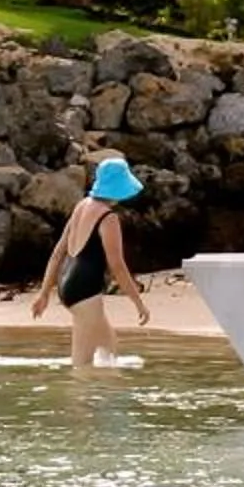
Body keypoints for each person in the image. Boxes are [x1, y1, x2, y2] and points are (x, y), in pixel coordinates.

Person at [30, 153, 151, 368]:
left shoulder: (82, 205)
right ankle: (81, 401)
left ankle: (101, 400)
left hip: (68, 286)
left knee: (108, 350)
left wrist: (45, 293)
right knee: (83, 365)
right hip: (85, 293)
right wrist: (138, 302)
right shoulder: (108, 218)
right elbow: (117, 266)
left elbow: (58, 253)